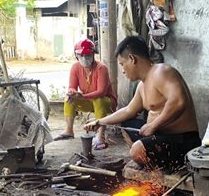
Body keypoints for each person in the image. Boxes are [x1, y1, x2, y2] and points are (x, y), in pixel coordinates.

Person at [84, 36, 200, 170]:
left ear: (132, 59)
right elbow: (128, 110)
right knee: (127, 124)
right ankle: (151, 162)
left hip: (183, 141)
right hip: (161, 136)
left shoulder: (161, 72)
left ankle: (159, 164)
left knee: (137, 151)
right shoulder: (141, 86)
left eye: (122, 64)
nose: (122, 70)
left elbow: (179, 101)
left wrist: (153, 125)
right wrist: (99, 122)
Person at [55, 39, 117, 150]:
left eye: (88, 55)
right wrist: (72, 92)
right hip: (88, 100)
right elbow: (72, 86)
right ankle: (69, 130)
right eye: (81, 55)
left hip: (106, 102)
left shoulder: (101, 68)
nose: (84, 58)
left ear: (93, 54)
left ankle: (100, 135)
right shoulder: (75, 67)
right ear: (76, 56)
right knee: (68, 99)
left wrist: (82, 96)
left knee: (99, 99)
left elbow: (101, 91)